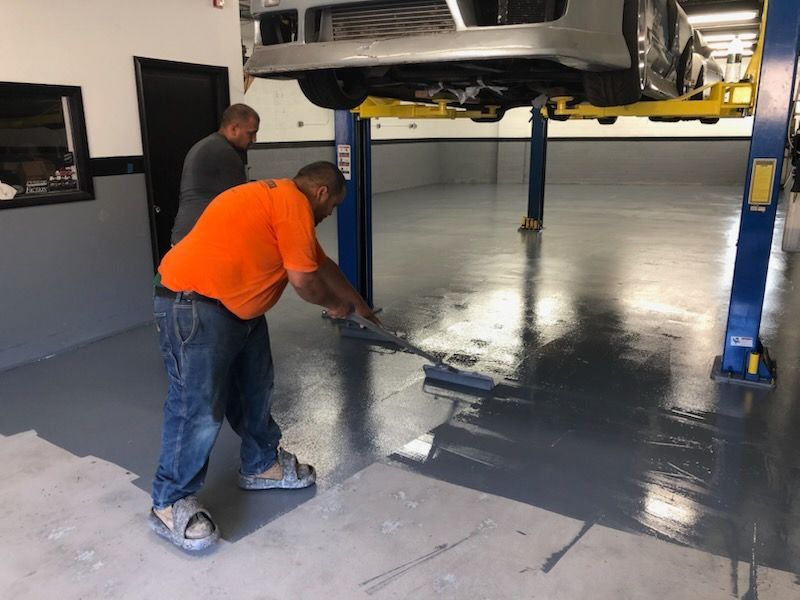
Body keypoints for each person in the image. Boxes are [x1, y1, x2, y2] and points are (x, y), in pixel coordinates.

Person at [148, 161, 379, 552]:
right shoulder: (292, 204)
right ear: (321, 193)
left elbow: (323, 266)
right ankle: (168, 502)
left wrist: (360, 306)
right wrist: (335, 306)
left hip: (240, 310)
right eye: (333, 206)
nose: (328, 214)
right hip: (194, 305)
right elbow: (305, 281)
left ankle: (260, 465)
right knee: (197, 408)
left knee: (256, 389)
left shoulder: (281, 202)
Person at [170, 103, 260, 245]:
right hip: (200, 240)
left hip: (185, 236)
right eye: (251, 133)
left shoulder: (206, 145)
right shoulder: (225, 153)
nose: (254, 139)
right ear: (234, 129)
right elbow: (241, 202)